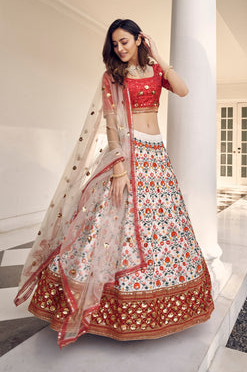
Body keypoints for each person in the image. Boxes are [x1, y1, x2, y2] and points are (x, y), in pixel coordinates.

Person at [14, 19, 214, 347]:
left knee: (160, 230)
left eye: (124, 41)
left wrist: (159, 55)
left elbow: (183, 89)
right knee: (112, 226)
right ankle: (100, 306)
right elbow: (111, 123)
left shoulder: (155, 70)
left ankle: (157, 302)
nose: (119, 49)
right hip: (129, 155)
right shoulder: (112, 77)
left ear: (138, 40)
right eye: (115, 44)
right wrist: (119, 169)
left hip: (156, 157)